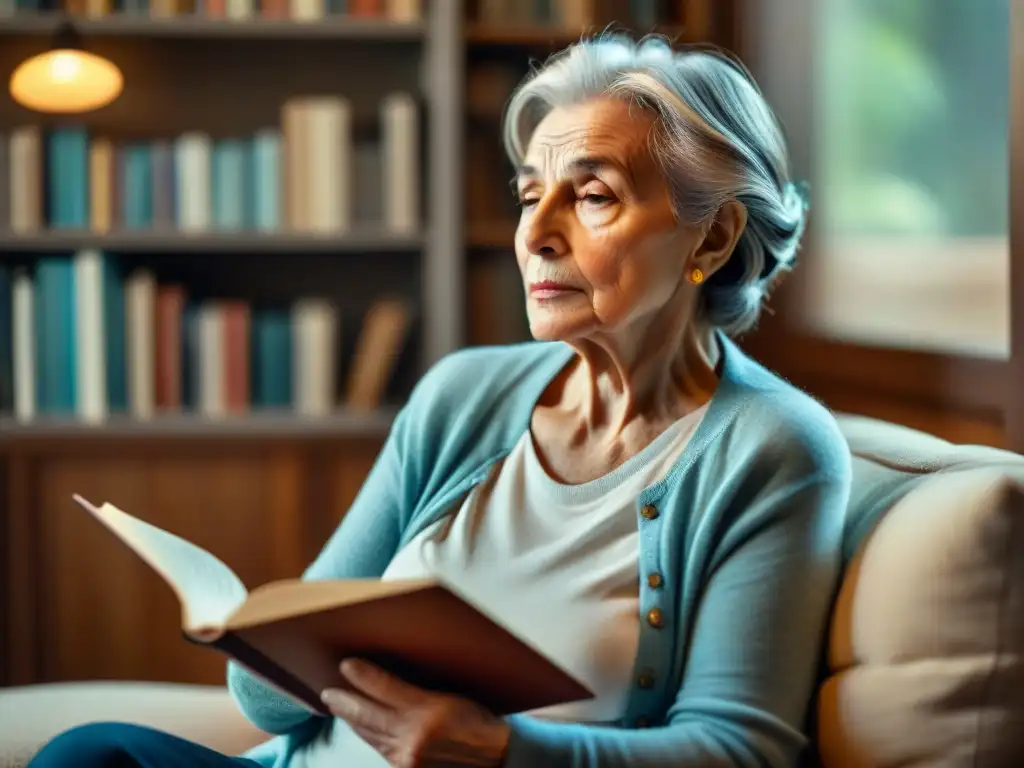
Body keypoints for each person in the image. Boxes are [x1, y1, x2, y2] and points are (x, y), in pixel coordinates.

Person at [28, 31, 852, 768]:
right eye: (531, 194)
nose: (535, 231)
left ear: (711, 236)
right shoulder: (464, 395)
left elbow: (740, 747)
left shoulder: (774, 447)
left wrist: (500, 750)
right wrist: (262, 642)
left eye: (592, 195)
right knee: (88, 755)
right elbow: (271, 703)